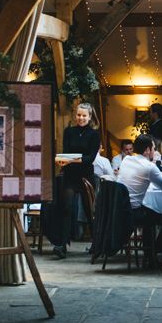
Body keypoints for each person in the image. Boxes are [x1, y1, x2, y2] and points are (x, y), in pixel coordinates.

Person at [54, 102, 101, 258]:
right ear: (76, 116)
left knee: (89, 211)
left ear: (89, 117)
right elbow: (66, 152)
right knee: (66, 208)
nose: (81, 118)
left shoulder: (94, 134)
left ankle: (96, 244)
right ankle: (62, 246)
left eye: (84, 116)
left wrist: (72, 159)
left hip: (86, 175)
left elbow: (90, 158)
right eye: (78, 115)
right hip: (70, 175)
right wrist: (68, 159)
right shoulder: (69, 131)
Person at [117, 134, 162, 261]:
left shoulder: (126, 160)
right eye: (153, 148)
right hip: (133, 212)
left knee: (149, 212)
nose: (154, 152)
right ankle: (154, 252)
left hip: (120, 208)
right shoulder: (149, 166)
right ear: (147, 150)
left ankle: (149, 254)